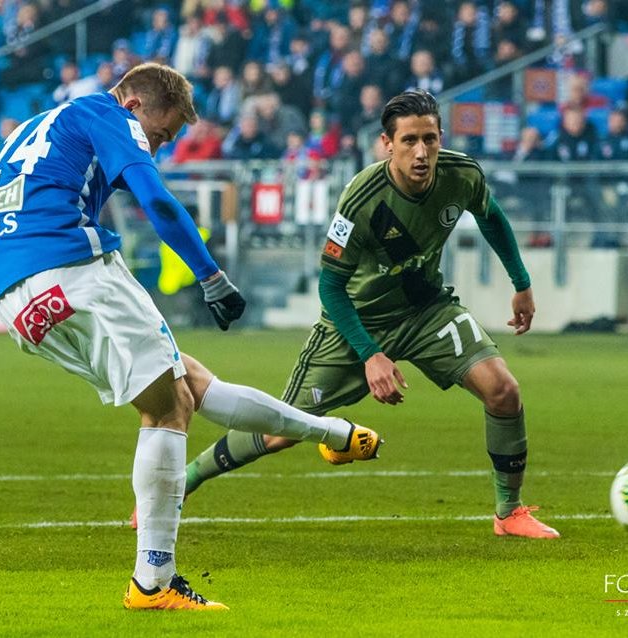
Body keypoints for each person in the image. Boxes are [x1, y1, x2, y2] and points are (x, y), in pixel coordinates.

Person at [0, 62, 381, 611]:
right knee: (171, 407)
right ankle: (153, 581)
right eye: (161, 133)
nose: (158, 146)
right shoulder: (107, 113)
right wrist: (212, 277)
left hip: (17, 302)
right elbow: (158, 202)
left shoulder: (30, 131)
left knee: (184, 381)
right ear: (136, 106)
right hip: (72, 265)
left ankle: (332, 433)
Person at [180, 90, 560, 540]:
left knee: (503, 391)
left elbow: (491, 216)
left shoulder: (462, 175)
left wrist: (521, 283)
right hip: (357, 322)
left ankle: (509, 512)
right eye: (409, 141)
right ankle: (183, 481)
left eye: (430, 140)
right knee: (281, 430)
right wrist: (371, 354)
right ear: (387, 143)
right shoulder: (361, 199)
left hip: (427, 310)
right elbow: (330, 286)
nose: (421, 152)